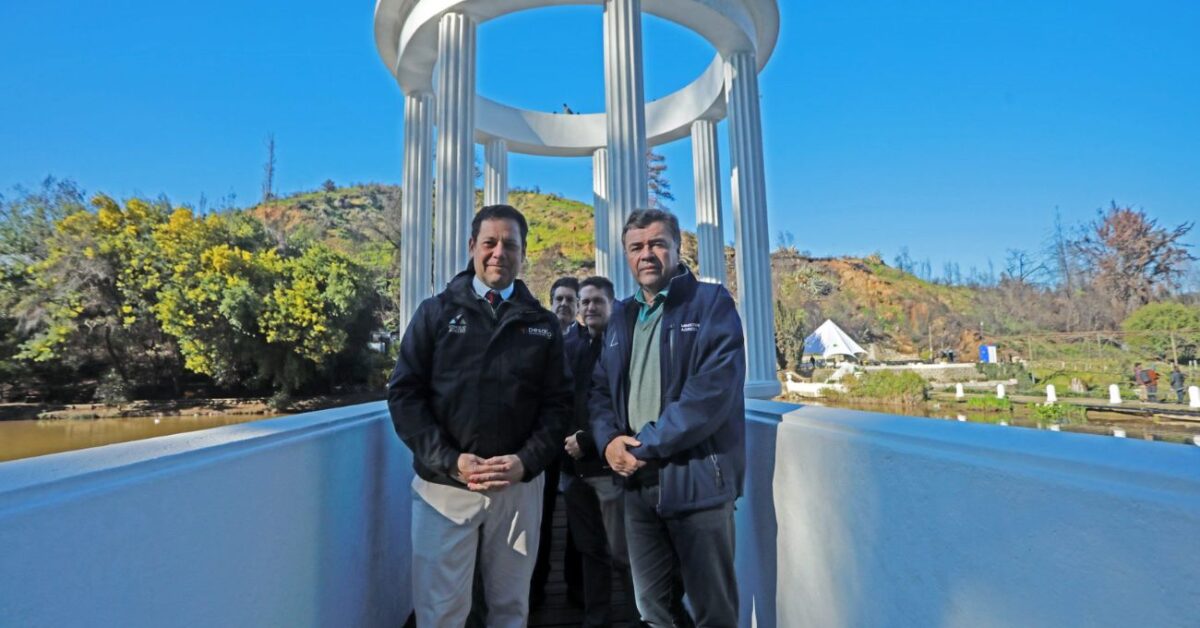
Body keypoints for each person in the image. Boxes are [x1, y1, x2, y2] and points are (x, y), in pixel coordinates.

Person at [387, 204, 573, 628]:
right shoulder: (434, 314)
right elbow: (404, 394)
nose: (498, 253)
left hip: (518, 489)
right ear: (472, 246)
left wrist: (526, 461)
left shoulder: (543, 324)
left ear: (523, 253)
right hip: (444, 489)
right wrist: (450, 461)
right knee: (441, 613)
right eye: (489, 242)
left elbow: (559, 404)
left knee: (510, 609)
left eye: (510, 244)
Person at [590, 208, 746, 627]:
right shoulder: (621, 315)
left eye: (658, 244)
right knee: (653, 608)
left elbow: (710, 394)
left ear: (677, 248)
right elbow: (601, 390)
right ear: (626, 255)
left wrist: (647, 444)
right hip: (637, 485)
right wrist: (607, 442)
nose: (647, 254)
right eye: (636, 247)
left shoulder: (711, 304)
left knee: (713, 611)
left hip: (697, 483)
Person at [560, 276, 635, 627]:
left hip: (608, 470)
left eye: (597, 302)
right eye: (584, 302)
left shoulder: (626, 347)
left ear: (612, 304)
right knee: (590, 551)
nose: (589, 308)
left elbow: (623, 408)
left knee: (622, 554)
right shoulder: (573, 346)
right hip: (574, 471)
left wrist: (589, 440)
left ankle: (640, 617)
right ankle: (597, 619)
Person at [530, 276, 584, 609]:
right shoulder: (538, 338)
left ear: (578, 306)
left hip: (577, 444)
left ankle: (576, 588)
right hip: (544, 444)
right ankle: (537, 586)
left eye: (569, 299)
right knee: (542, 515)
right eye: (558, 299)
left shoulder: (586, 340)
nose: (563, 304)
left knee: (578, 520)